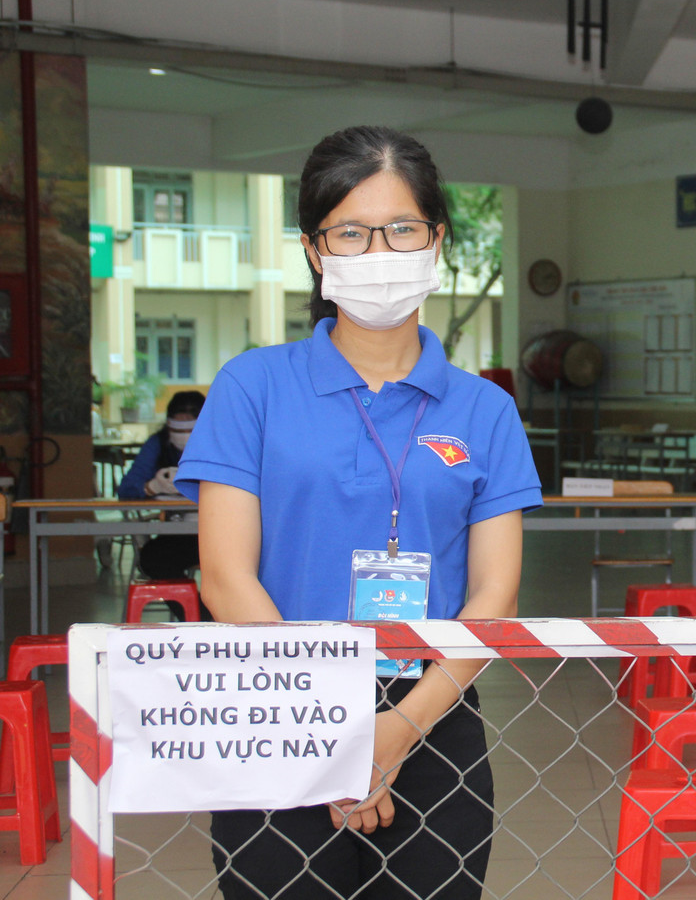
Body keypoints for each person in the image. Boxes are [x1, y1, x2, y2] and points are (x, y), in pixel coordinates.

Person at [175, 125, 542, 900]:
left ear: (437, 239)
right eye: (351, 232)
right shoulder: (252, 387)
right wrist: (331, 730)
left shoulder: (485, 410)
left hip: (433, 713)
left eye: (402, 227)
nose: (379, 251)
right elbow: (224, 574)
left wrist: (395, 732)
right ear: (315, 250)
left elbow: (496, 595)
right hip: (278, 712)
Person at [116, 390, 204, 588]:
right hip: (177, 533)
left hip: (220, 532)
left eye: (189, 428)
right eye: (178, 429)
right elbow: (126, 489)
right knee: (152, 560)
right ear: (168, 425)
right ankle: (191, 606)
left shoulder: (223, 445)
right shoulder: (157, 445)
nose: (184, 436)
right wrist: (152, 487)